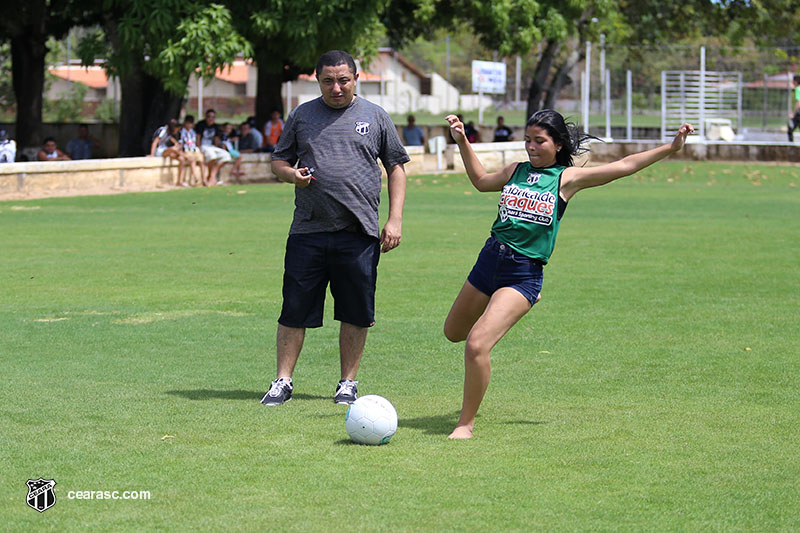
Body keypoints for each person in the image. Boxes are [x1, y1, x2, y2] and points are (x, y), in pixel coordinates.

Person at [443, 110, 694, 439]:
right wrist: (462, 140)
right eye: (528, 140)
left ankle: (465, 424)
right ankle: (514, 301)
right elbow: (479, 182)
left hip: (522, 274)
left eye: (539, 141)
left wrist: (670, 148)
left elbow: (624, 166)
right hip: (489, 260)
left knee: (477, 345)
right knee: (453, 332)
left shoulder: (566, 179)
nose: (531, 147)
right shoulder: (515, 171)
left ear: (558, 145)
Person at [261, 49, 410, 407]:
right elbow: (278, 161)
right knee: (294, 308)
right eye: (328, 80)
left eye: (343, 80)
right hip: (308, 232)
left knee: (355, 311)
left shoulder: (375, 117)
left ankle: (348, 383)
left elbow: (396, 166)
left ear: (355, 79)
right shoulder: (302, 115)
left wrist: (395, 218)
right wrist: (292, 175)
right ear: (318, 80)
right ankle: (282, 381)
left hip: (358, 233)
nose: (336, 87)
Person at [195, 109, 232, 186]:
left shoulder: (215, 127)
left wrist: (218, 148)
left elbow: (216, 140)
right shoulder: (200, 125)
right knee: (212, 156)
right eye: (209, 117)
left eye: (213, 117)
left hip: (211, 147)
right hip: (203, 146)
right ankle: (211, 177)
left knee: (226, 156)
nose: (211, 119)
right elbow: (198, 138)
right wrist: (198, 149)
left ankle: (212, 175)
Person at [150, 119, 188, 187]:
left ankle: (179, 181)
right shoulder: (163, 131)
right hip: (159, 151)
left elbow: (172, 140)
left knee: (181, 159)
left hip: (166, 150)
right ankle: (186, 156)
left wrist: (177, 144)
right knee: (173, 149)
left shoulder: (169, 133)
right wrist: (152, 154)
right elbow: (155, 142)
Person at [179, 115, 204, 186]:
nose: (189, 125)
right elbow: (180, 143)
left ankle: (204, 178)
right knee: (192, 159)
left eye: (191, 123)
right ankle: (196, 178)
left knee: (201, 159)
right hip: (186, 150)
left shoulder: (193, 132)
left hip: (194, 149)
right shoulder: (181, 132)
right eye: (188, 123)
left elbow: (195, 142)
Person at [788, 74, 800, 142]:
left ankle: (790, 145)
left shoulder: (798, 89)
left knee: (790, 128)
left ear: (795, 82)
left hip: (798, 113)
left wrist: (793, 113)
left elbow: (798, 102)